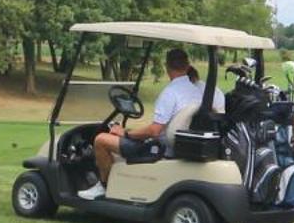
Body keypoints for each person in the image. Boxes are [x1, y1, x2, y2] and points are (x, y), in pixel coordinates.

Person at [80, 47, 203, 200]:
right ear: (187, 66)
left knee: (101, 140)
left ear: (167, 67)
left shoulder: (171, 93)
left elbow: (155, 131)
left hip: (160, 148)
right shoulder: (195, 91)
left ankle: (103, 187)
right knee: (127, 133)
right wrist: (129, 132)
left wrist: (125, 133)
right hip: (180, 144)